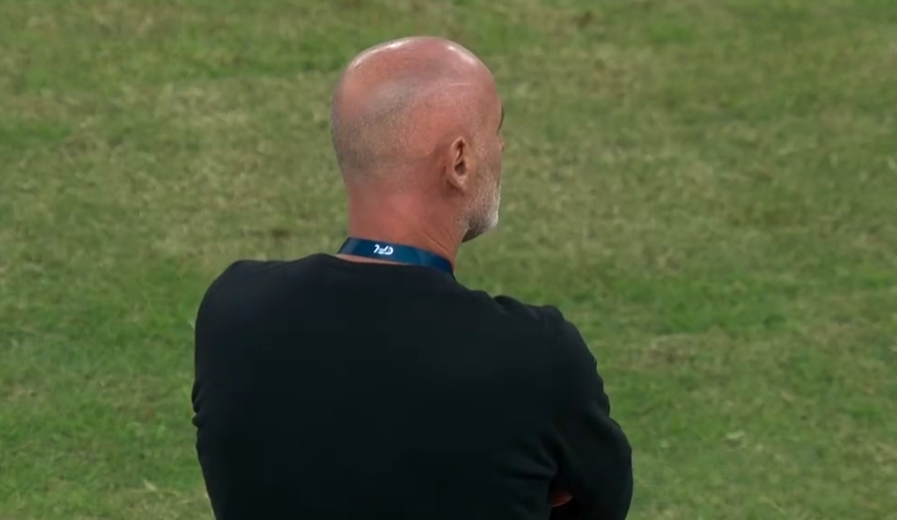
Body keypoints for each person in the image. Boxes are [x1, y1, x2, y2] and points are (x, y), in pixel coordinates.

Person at [192, 36, 634, 520]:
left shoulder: (234, 312)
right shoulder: (535, 356)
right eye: (496, 129)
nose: (502, 147)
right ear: (459, 162)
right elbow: (598, 505)